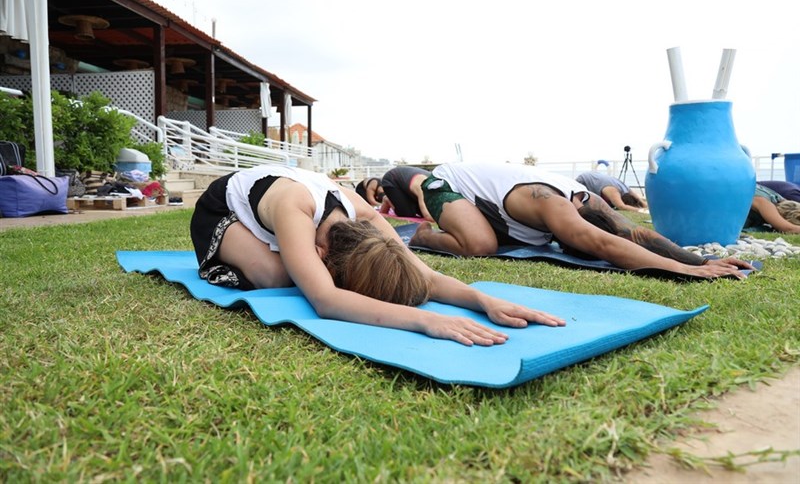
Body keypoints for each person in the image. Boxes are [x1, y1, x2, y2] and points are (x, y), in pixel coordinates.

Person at [190, 164, 565, 346]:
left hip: (286, 207)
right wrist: (424, 322)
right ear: (321, 254)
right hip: (222, 208)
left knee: (291, 271)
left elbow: (426, 277)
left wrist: (483, 300)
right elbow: (326, 300)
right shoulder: (295, 210)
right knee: (278, 277)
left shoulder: (365, 216)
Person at [410, 162, 754, 279]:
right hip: (448, 182)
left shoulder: (593, 203)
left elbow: (632, 233)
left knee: (509, 237)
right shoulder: (552, 204)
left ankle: (478, 223)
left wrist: (703, 260)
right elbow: (604, 243)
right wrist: (688, 273)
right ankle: (426, 237)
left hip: (497, 202)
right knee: (481, 245)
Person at [575, 171, 648, 212]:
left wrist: (645, 207)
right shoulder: (613, 191)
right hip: (584, 180)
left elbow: (639, 200)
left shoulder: (626, 189)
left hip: (595, 176)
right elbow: (621, 206)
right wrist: (641, 211)